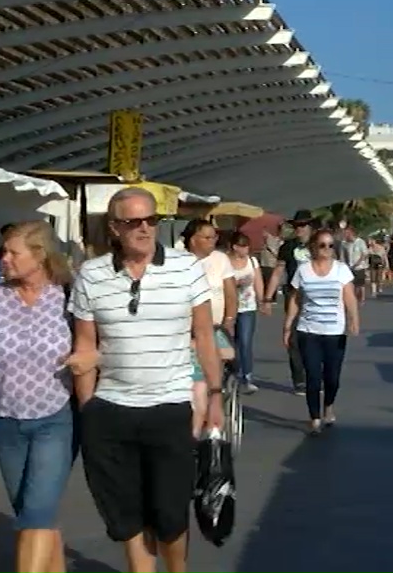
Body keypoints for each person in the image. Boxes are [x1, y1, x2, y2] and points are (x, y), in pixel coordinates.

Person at [69, 188, 224, 573]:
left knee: (170, 514)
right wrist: (89, 408)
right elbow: (85, 345)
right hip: (111, 410)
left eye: (151, 220)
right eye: (132, 222)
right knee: (125, 514)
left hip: (169, 406)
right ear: (114, 227)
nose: (144, 229)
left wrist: (215, 397)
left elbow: (204, 336)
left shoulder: (186, 267)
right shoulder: (92, 274)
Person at [0, 221, 98, 573]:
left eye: (12, 252)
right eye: (3, 251)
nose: (3, 258)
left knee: (36, 512)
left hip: (55, 419)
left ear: (40, 255)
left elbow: (95, 345)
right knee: (33, 512)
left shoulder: (68, 297)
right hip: (6, 421)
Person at [283, 228, 361, 435]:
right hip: (308, 330)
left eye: (330, 246)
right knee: (313, 377)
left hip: (335, 331)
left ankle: (328, 406)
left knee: (332, 378)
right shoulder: (304, 271)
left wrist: (354, 320)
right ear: (313, 248)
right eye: (322, 245)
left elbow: (350, 297)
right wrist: (288, 325)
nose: (326, 249)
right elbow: (295, 299)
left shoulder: (341, 270)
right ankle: (315, 418)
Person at [260, 210, 315, 395]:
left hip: (317, 298)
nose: (299, 229)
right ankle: (299, 379)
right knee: (294, 338)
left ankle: (314, 375)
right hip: (295, 296)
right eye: (296, 226)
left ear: (310, 227)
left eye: (302, 225)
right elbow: (277, 273)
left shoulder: (321, 245)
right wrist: (267, 298)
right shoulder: (287, 247)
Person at [181, 218, 239, 337]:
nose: (212, 241)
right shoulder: (179, 260)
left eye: (214, 237)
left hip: (216, 327)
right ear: (193, 240)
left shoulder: (221, 259)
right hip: (185, 329)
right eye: (207, 238)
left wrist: (229, 320)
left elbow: (231, 295)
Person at [226, 231, 263, 394]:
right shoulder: (225, 261)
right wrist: (237, 283)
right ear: (235, 247)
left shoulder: (252, 261)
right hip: (229, 306)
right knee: (230, 342)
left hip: (248, 306)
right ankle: (231, 374)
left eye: (247, 246)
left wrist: (263, 301)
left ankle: (247, 376)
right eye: (243, 246)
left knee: (245, 342)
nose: (246, 249)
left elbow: (258, 282)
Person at [340, 227, 369, 304]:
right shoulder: (344, 243)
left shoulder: (360, 242)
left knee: (360, 284)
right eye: (345, 234)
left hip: (359, 267)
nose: (345, 235)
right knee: (351, 284)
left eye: (347, 234)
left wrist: (358, 263)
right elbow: (342, 256)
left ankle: (361, 298)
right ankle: (353, 298)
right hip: (349, 267)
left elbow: (364, 254)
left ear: (351, 234)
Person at [259, 225, 283, 302]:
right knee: (266, 280)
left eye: (264, 232)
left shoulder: (271, 239)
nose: (262, 234)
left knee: (271, 280)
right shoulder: (267, 240)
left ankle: (272, 297)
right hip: (265, 263)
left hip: (271, 263)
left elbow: (274, 250)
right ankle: (267, 296)